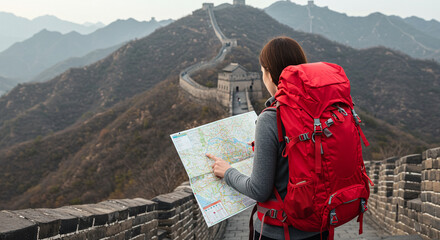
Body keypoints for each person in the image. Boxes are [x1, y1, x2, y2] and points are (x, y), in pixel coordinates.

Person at [206, 36, 329, 240]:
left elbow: (258, 190)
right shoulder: (320, 109)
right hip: (320, 227)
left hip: (280, 231)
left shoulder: (271, 118)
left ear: (270, 74)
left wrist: (227, 172)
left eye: (263, 71)